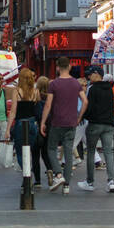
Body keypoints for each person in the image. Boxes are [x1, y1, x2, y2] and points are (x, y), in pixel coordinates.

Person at [42, 56, 84, 194]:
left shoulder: (53, 84)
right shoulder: (76, 84)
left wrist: (43, 122)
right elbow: (85, 101)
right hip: (71, 122)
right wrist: (79, 117)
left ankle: (58, 175)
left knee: (51, 149)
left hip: (56, 122)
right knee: (68, 152)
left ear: (58, 67)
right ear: (70, 67)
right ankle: (66, 185)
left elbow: (48, 104)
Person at [77, 65, 114, 193]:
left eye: (90, 74)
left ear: (97, 74)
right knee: (108, 152)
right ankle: (111, 181)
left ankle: (90, 182)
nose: (89, 77)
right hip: (109, 124)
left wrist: (83, 117)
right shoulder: (110, 89)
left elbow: (88, 106)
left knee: (91, 151)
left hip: (95, 124)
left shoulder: (92, 89)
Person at [8, 67, 42, 189]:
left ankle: (26, 174)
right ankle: (29, 172)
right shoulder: (36, 92)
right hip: (32, 123)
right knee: (31, 151)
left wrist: (7, 129)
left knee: (20, 151)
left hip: (20, 124)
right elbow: (37, 109)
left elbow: (13, 111)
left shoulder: (17, 91)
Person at [36, 75, 52, 186]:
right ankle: (50, 170)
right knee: (46, 153)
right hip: (49, 128)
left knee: (35, 154)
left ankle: (37, 180)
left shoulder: (36, 98)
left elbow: (36, 114)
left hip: (38, 127)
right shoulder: (51, 98)